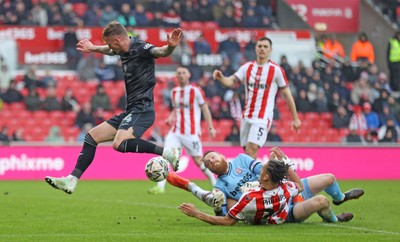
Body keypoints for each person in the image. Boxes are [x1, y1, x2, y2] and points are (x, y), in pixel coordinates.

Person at [45, 21, 183, 194]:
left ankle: (169, 153)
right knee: (91, 137)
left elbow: (160, 52)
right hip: (131, 110)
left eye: (111, 43)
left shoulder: (141, 48)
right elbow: (109, 50)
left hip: (143, 109)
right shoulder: (122, 49)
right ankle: (71, 180)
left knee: (119, 143)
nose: (110, 48)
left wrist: (170, 48)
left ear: (117, 40)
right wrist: (93, 48)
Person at [170, 147, 362, 222]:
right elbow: (222, 212)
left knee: (329, 178)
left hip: (280, 188)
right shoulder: (220, 186)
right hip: (278, 206)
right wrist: (217, 208)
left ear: (221, 155)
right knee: (320, 201)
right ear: (210, 170)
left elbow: (264, 172)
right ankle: (333, 219)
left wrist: (279, 164)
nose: (210, 161)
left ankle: (341, 198)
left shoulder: (242, 159)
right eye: (207, 163)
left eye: (212, 157)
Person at [213, 37, 301, 159]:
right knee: (247, 152)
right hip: (246, 116)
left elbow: (287, 95)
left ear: (270, 50)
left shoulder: (276, 70)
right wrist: (221, 77)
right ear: (255, 48)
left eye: (265, 47)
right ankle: (254, 176)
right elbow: (230, 82)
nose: (262, 49)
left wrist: (295, 118)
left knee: (251, 149)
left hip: (262, 117)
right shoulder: (247, 67)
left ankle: (251, 177)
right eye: (260, 46)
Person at [148, 66, 217, 195]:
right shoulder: (174, 92)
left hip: (191, 133)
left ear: (189, 75)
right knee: (166, 155)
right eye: (178, 73)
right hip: (175, 132)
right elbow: (176, 108)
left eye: (183, 73)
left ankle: (215, 183)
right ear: (176, 76)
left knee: (199, 161)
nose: (181, 75)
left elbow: (205, 108)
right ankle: (160, 187)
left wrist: (210, 126)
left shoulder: (196, 91)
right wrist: (171, 117)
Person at [179, 159, 302, 225]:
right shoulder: (288, 187)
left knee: (231, 201)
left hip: (262, 220)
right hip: (280, 219)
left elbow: (227, 221)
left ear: (265, 177)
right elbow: (300, 186)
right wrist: (286, 166)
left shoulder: (250, 197)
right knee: (320, 199)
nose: (260, 171)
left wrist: (197, 213)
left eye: (262, 170)